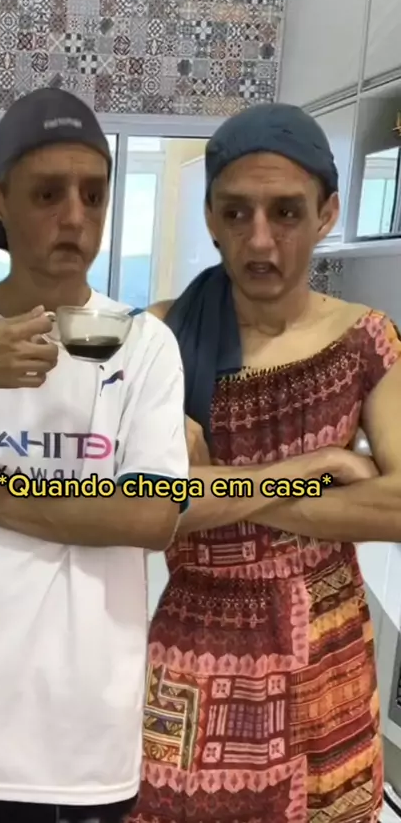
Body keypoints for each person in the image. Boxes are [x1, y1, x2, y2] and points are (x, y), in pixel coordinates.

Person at [0, 88, 189, 823]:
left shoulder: (143, 343)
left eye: (93, 195)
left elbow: (150, 518)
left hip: (79, 740)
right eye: (47, 194)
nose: (75, 217)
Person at [127, 103, 401, 823]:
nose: (259, 239)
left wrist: (216, 491)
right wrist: (320, 464)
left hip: (327, 657)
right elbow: (145, 508)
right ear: (210, 218)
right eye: (236, 212)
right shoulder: (158, 338)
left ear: (327, 213)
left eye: (285, 212)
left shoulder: (367, 342)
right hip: (195, 653)